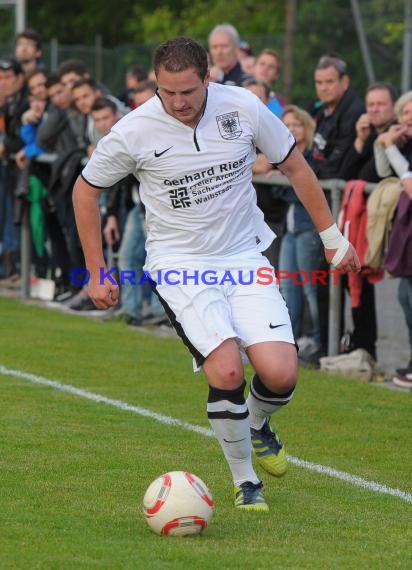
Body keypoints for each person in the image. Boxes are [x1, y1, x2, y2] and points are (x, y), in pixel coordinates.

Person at [72, 37, 360, 510]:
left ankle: (256, 425)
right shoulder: (133, 130)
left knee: (282, 373)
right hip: (179, 264)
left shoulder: (243, 106)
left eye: (188, 91)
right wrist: (96, 271)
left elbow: (295, 165)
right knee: (226, 368)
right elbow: (86, 192)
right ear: (156, 85)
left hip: (243, 255)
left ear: (208, 77)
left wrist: (333, 238)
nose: (179, 103)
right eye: (168, 93)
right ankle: (246, 481)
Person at [277, 105, 324, 363]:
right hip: (290, 228)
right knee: (288, 287)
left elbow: (303, 190)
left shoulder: (313, 156)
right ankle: (288, 342)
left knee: (310, 288)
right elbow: (279, 193)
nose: (291, 129)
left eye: (296, 124)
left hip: (307, 229)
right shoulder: (282, 154)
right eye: (286, 125)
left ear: (305, 126)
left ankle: (318, 342)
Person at [253, 48, 284, 117]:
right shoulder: (238, 93)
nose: (265, 68)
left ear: (276, 75)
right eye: (262, 64)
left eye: (271, 66)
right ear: (254, 67)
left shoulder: (280, 106)